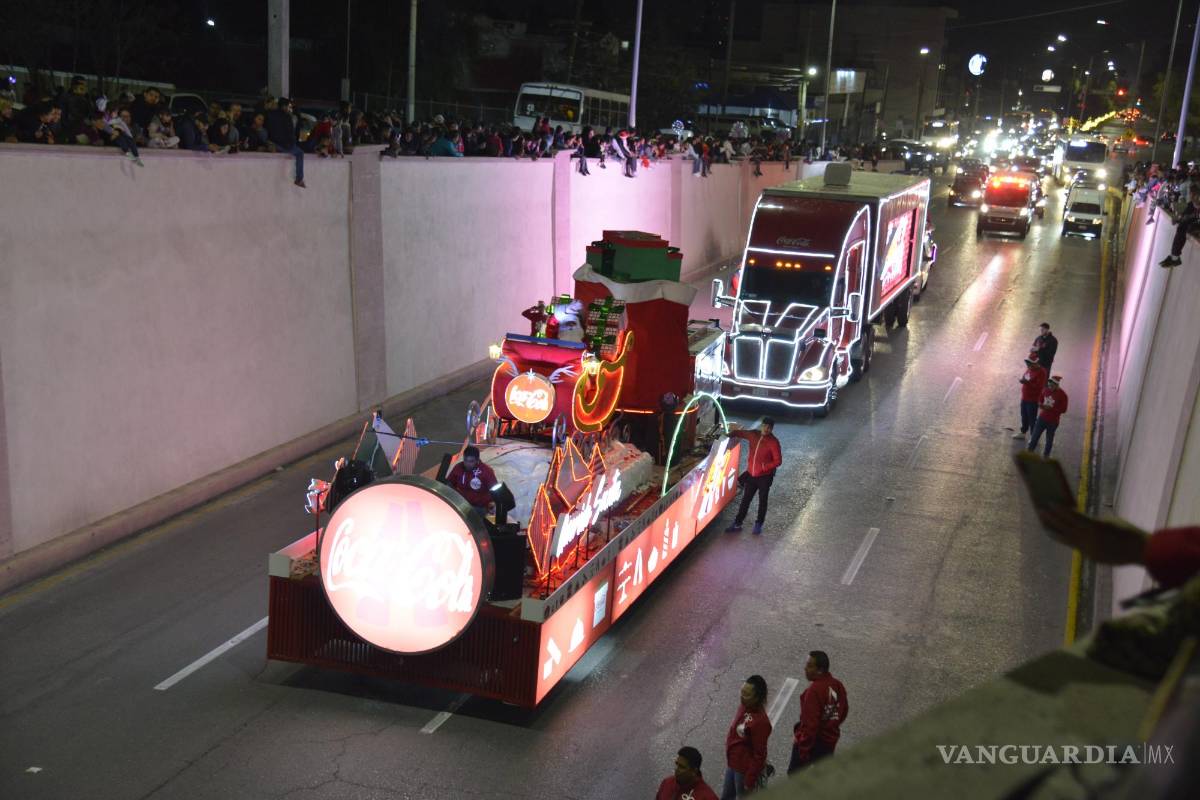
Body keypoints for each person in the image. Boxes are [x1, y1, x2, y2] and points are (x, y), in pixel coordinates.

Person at [788, 651, 849, 774]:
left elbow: (810, 726)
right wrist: (831, 725)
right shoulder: (837, 685)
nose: (805, 668)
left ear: (820, 670)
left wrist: (802, 751)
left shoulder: (814, 691)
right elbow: (844, 710)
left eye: (810, 666)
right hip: (829, 743)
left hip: (813, 743)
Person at [725, 418, 783, 535]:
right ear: (761, 426)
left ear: (772, 429)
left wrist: (764, 467)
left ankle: (758, 524)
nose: (766, 429)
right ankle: (737, 523)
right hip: (751, 475)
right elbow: (740, 433)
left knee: (763, 501)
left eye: (769, 428)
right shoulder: (753, 435)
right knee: (745, 500)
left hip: (765, 477)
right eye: (765, 426)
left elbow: (778, 461)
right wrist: (729, 435)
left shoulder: (773, 442)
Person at [722, 675, 772, 798]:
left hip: (743, 770)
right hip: (733, 763)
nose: (742, 697)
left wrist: (749, 780)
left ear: (757, 698)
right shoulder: (744, 707)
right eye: (742, 692)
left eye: (747, 695)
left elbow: (759, 755)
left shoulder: (761, 722)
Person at [445, 445, 498, 518]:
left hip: (479, 507)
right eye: (465, 460)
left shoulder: (486, 472)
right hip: (462, 504)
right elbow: (449, 483)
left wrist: (494, 504)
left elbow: (496, 490)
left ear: (477, 460)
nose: (467, 464)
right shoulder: (458, 468)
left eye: (471, 461)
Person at [266, 97, 306, 187]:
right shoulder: (287, 117)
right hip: (285, 145)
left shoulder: (270, 114)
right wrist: (292, 144)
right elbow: (290, 133)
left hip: (273, 142)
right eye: (288, 106)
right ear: (284, 106)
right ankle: (299, 179)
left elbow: (268, 128)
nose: (289, 108)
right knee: (300, 153)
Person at [1028, 376, 1068, 458]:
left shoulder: (1063, 395)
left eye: (1052, 386)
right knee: (1034, 437)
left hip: (1053, 421)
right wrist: (1040, 404)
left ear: (1057, 385)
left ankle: (1046, 456)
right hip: (1042, 418)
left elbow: (1063, 409)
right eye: (1049, 385)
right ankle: (1029, 453)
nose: (1050, 387)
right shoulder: (1046, 390)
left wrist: (1052, 408)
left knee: (1049, 440)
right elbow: (1041, 398)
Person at [1013, 351, 1047, 441]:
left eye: (1030, 364)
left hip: (1033, 399)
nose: (1028, 366)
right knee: (1024, 416)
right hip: (1025, 397)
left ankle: (1033, 436)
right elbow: (1026, 377)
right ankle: (1023, 432)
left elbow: (1039, 387)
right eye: (1027, 364)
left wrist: (1027, 383)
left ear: (1035, 363)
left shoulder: (1041, 372)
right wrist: (1023, 380)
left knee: (1032, 418)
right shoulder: (1030, 369)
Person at [1159, 195, 1199, 268]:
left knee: (1182, 227)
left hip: (1194, 217)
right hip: (1192, 214)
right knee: (1181, 227)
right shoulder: (1191, 202)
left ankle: (1174, 256)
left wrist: (1186, 216)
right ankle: (1174, 256)